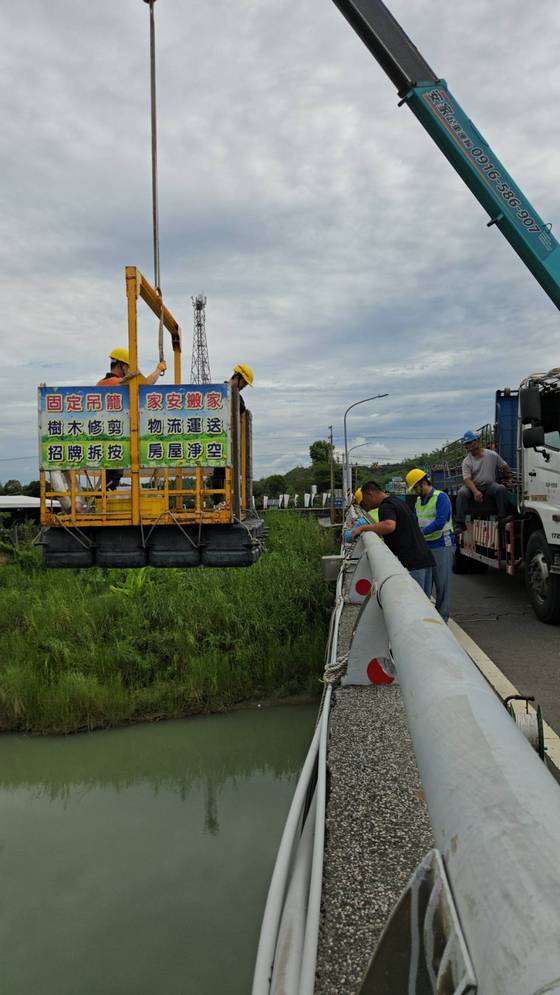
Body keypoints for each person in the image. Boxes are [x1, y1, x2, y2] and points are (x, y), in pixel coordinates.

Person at [351, 480, 434, 596]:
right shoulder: (398, 502)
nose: (366, 504)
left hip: (413, 562)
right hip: (424, 558)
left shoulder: (385, 506)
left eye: (365, 500)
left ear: (370, 494)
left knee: (415, 599)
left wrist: (363, 528)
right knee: (425, 601)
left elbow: (389, 526)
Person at [405, 468, 454, 623]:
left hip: (442, 544)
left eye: (415, 488)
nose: (415, 492)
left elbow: (440, 522)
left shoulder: (441, 497)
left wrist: (420, 533)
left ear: (423, 483)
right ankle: (428, 618)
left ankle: (443, 619)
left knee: (442, 584)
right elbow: (415, 521)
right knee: (425, 583)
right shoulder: (418, 502)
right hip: (426, 545)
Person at [212, 364, 254, 507]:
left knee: (224, 471)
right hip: (217, 437)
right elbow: (241, 407)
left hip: (224, 438)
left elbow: (241, 407)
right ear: (237, 377)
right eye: (244, 384)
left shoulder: (230, 393)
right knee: (219, 470)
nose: (243, 387)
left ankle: (222, 500)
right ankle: (218, 501)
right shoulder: (223, 391)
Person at [455, 430, 513, 529]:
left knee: (501, 489)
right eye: (466, 444)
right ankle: (460, 523)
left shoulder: (492, 455)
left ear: (477, 441)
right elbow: (467, 479)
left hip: (489, 485)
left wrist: (509, 477)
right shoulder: (466, 461)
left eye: (470, 442)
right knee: (461, 493)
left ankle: (502, 517)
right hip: (473, 486)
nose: (468, 446)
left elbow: (504, 466)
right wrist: (475, 492)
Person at [97, 347, 166, 387]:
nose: (129, 371)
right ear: (123, 366)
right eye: (128, 367)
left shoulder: (99, 383)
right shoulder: (119, 382)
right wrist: (159, 369)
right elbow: (146, 385)